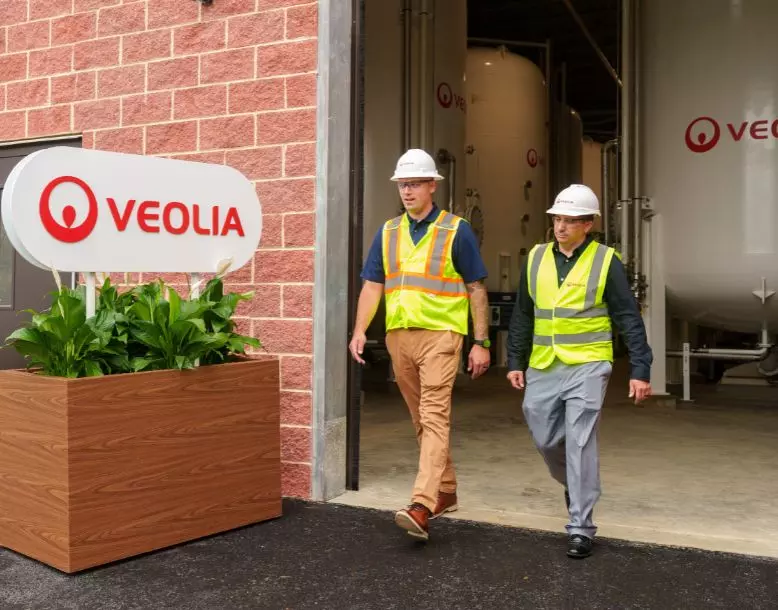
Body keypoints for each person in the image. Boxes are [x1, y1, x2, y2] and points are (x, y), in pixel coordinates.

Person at [348, 148, 491, 542]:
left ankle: (422, 504)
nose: (407, 191)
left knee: (433, 415)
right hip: (399, 337)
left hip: (442, 336)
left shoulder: (456, 230)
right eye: (402, 185)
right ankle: (446, 490)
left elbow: (476, 288)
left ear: (432, 186)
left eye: (414, 184)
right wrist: (360, 330)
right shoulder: (389, 231)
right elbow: (373, 284)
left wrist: (481, 341)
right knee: (420, 420)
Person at [506, 184, 653, 559]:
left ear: (588, 225)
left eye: (570, 221)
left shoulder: (606, 261)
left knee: (582, 440)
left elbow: (627, 316)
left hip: (588, 364)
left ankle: (581, 526)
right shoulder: (536, 258)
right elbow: (523, 313)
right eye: (557, 219)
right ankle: (574, 483)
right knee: (543, 435)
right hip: (543, 364)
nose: (560, 227)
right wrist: (515, 360)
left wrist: (640, 367)